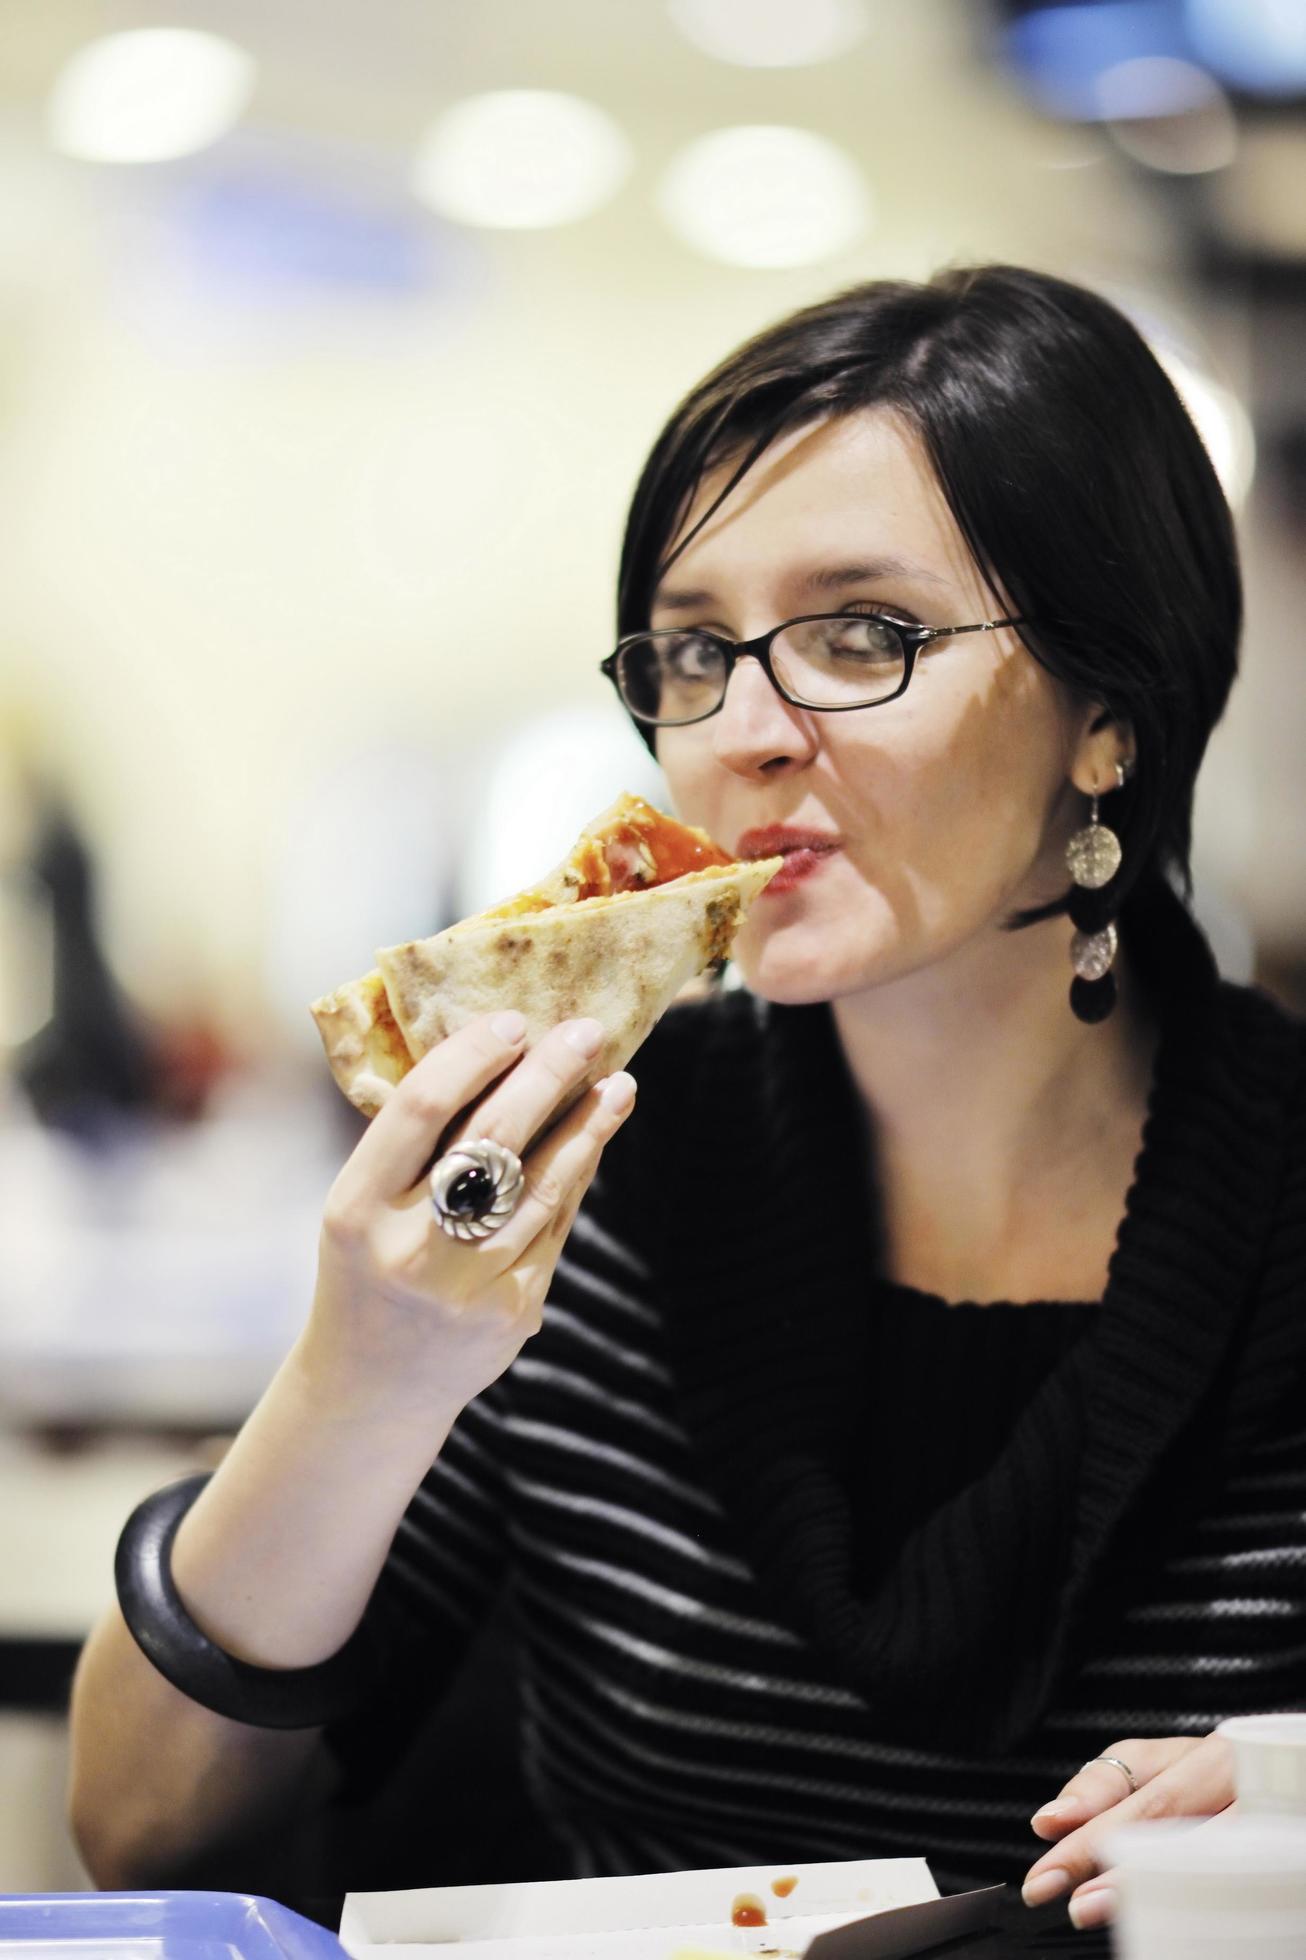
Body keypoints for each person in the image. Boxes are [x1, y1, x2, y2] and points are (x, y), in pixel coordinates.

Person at [70, 264, 1305, 1934]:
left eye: (861, 635)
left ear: (1106, 711)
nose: (740, 729)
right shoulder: (600, 1170)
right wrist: (362, 1379)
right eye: (689, 649)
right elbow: (142, 1833)